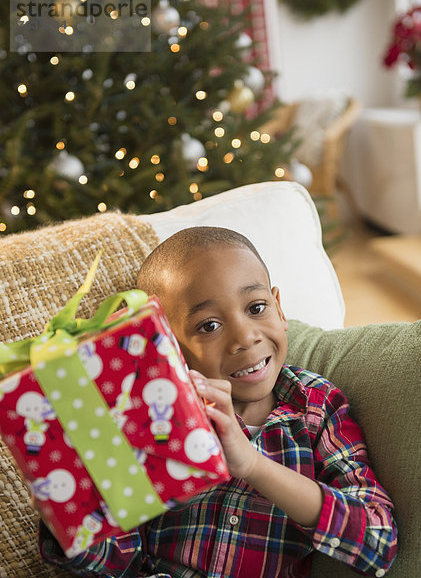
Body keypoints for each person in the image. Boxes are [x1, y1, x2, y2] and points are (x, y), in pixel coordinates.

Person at [40, 226, 398, 578]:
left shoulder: (315, 407)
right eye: (208, 326)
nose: (244, 337)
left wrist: (253, 466)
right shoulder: (153, 420)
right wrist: (69, 500)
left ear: (279, 308)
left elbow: (378, 542)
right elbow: (112, 562)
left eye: (256, 307)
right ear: (169, 346)